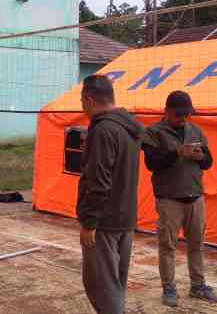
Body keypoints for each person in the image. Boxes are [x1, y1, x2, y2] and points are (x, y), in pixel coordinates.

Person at [142, 90, 217, 307]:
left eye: (187, 114)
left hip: (195, 197)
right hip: (169, 199)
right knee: (167, 246)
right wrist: (177, 153)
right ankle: (169, 287)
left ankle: (198, 285)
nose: (184, 118)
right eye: (179, 115)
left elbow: (208, 163)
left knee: (197, 245)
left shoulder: (196, 130)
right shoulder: (154, 132)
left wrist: (201, 156)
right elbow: (152, 163)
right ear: (166, 111)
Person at [76, 75, 143, 314]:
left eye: (83, 102)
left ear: (89, 99)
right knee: (115, 285)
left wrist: (89, 222)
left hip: (104, 221)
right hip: (125, 218)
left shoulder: (103, 129)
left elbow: (99, 180)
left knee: (101, 287)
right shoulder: (129, 126)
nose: (82, 108)